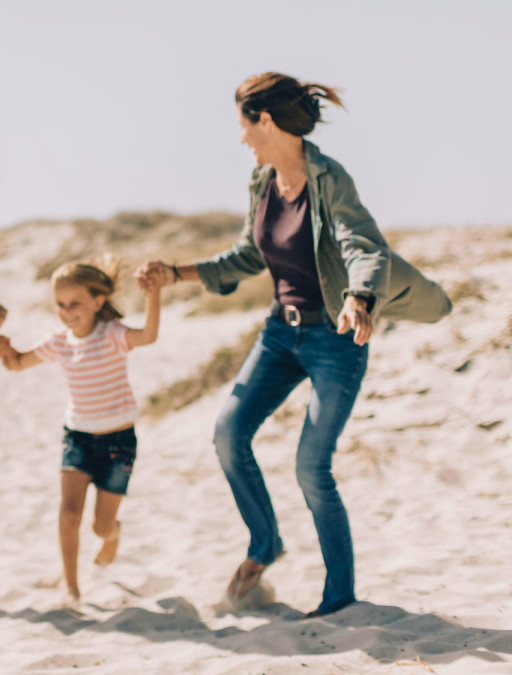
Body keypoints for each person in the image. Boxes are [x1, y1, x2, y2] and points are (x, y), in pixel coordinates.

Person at [139, 72, 452, 617]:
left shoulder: (330, 179)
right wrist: (176, 273)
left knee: (311, 463)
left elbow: (362, 244)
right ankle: (265, 544)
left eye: (243, 124)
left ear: (264, 121)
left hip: (334, 338)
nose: (239, 138)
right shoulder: (262, 181)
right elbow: (246, 255)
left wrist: (360, 297)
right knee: (228, 432)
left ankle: (339, 598)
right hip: (280, 334)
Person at [0, 256, 162, 607]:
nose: (66, 311)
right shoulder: (59, 342)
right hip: (77, 437)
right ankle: (72, 588)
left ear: (98, 301)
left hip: (119, 443)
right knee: (68, 514)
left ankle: (113, 534)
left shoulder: (114, 335)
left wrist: (154, 294)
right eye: (60, 304)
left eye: (75, 303)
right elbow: (15, 361)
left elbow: (149, 335)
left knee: (100, 527)